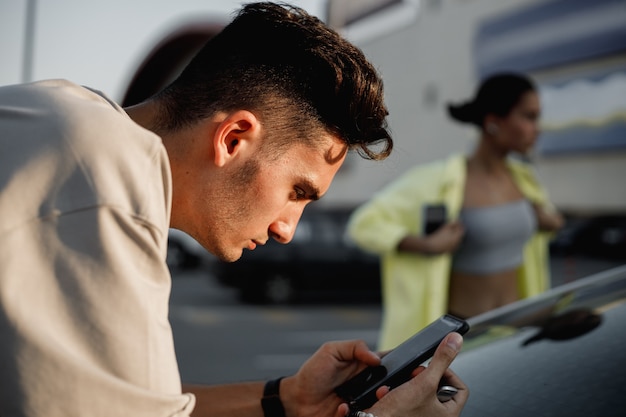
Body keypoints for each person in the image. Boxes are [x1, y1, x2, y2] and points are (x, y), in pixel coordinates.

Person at [0, 3, 468, 417]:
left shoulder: (63, 115)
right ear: (234, 139)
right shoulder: (104, 185)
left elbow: (135, 404)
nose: (287, 229)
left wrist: (288, 398)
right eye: (298, 191)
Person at [348, 72, 564, 351]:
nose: (537, 128)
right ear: (493, 123)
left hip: (517, 330)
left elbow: (548, 220)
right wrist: (424, 245)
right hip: (464, 338)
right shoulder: (438, 181)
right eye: (529, 117)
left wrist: (551, 222)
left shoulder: (525, 180)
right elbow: (363, 224)